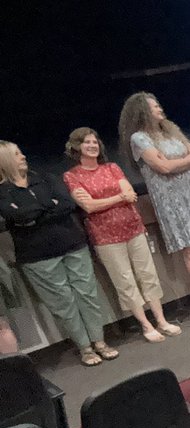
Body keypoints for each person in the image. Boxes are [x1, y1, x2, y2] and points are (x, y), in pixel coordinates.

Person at [0, 142, 114, 365]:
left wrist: (36, 214)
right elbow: (19, 217)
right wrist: (47, 207)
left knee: (87, 294)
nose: (23, 156)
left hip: (72, 244)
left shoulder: (46, 178)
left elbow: (65, 204)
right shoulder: (3, 193)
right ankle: (85, 347)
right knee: (64, 303)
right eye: (16, 154)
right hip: (38, 256)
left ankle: (100, 342)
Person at [62, 128, 178, 342]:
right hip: (105, 236)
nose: (92, 145)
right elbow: (88, 205)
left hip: (133, 227)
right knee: (125, 281)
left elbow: (130, 194)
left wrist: (111, 199)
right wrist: (118, 198)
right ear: (77, 147)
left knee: (148, 275)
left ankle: (161, 320)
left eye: (95, 141)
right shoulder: (72, 176)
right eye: (87, 142)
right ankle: (145, 324)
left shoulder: (112, 167)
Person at [118, 92, 190, 301]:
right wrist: (185, 161)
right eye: (155, 107)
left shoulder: (171, 130)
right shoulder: (139, 138)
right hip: (172, 200)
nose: (160, 109)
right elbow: (163, 167)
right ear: (143, 111)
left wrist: (179, 162)